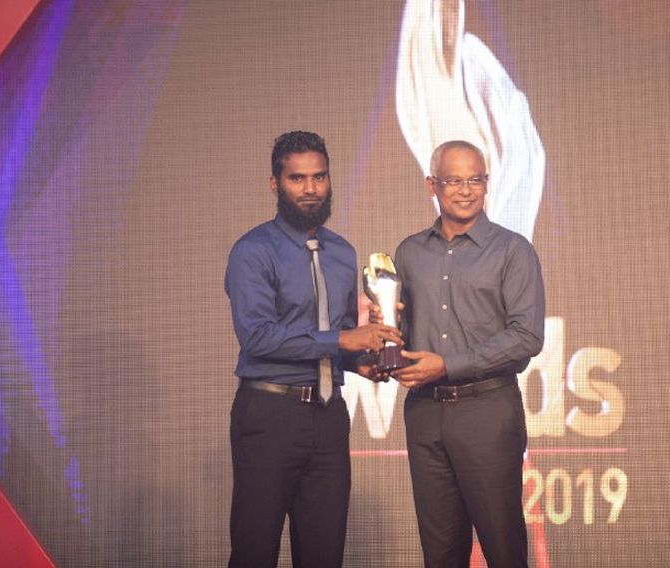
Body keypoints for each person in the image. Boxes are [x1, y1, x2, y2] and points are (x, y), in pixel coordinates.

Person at [224, 131, 401, 568]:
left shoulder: (342, 252)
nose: (310, 188)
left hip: (328, 417)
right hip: (269, 414)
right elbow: (259, 337)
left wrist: (363, 362)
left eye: (319, 177)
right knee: (254, 552)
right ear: (275, 184)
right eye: (297, 178)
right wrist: (343, 340)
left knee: (324, 554)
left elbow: (339, 337)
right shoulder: (253, 251)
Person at [391, 140, 545, 567]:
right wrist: (381, 339)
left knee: (503, 547)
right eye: (453, 180)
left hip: (487, 412)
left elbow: (527, 337)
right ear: (432, 185)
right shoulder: (408, 253)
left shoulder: (512, 250)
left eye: (475, 180)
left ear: (486, 183)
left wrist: (448, 365)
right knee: (440, 552)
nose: (465, 190)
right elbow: (402, 333)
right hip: (425, 413)